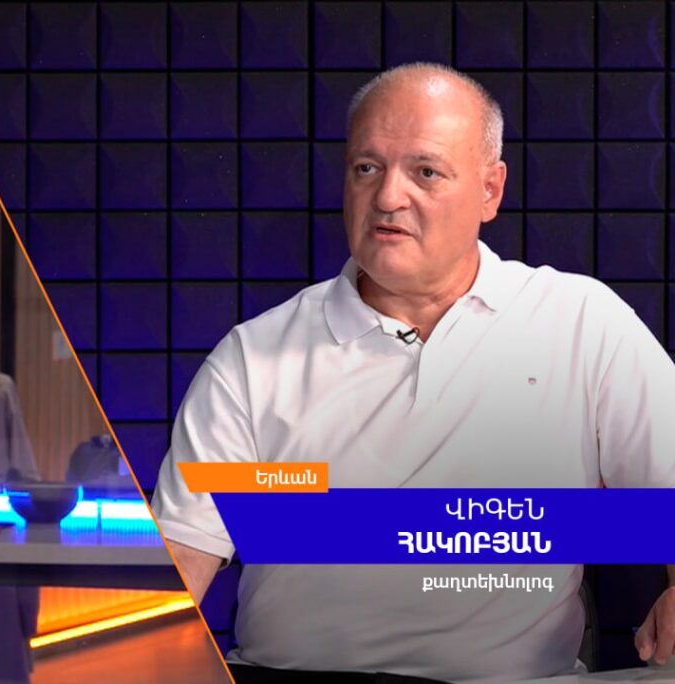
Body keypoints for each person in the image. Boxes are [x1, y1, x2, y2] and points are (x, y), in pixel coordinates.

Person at [151, 63, 675, 683]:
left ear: (490, 190)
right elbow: (183, 553)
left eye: (425, 171)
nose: (387, 197)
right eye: (366, 168)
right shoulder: (251, 358)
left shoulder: (582, 323)